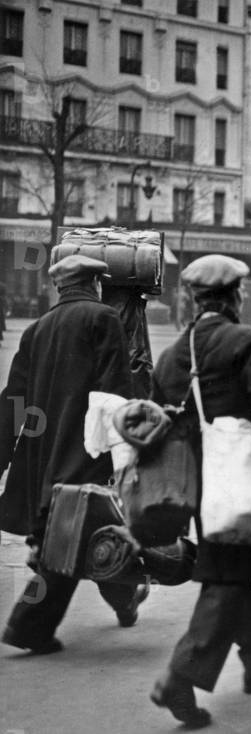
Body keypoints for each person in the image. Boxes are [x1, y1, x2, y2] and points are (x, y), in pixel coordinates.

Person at [149, 255, 251, 728]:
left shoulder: (174, 353)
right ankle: (180, 675)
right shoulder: (247, 341)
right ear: (235, 297)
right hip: (245, 478)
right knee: (230, 576)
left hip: (199, 482)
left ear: (195, 300)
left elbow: (160, 418)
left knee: (236, 565)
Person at [1, 255, 147, 654]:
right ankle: (28, 627)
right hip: (87, 453)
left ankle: (125, 601)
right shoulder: (104, 319)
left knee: (86, 536)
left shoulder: (35, 330)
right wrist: (128, 455)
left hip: (43, 461)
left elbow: (12, 401)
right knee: (84, 534)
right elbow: (115, 395)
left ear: (60, 286)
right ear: (95, 282)